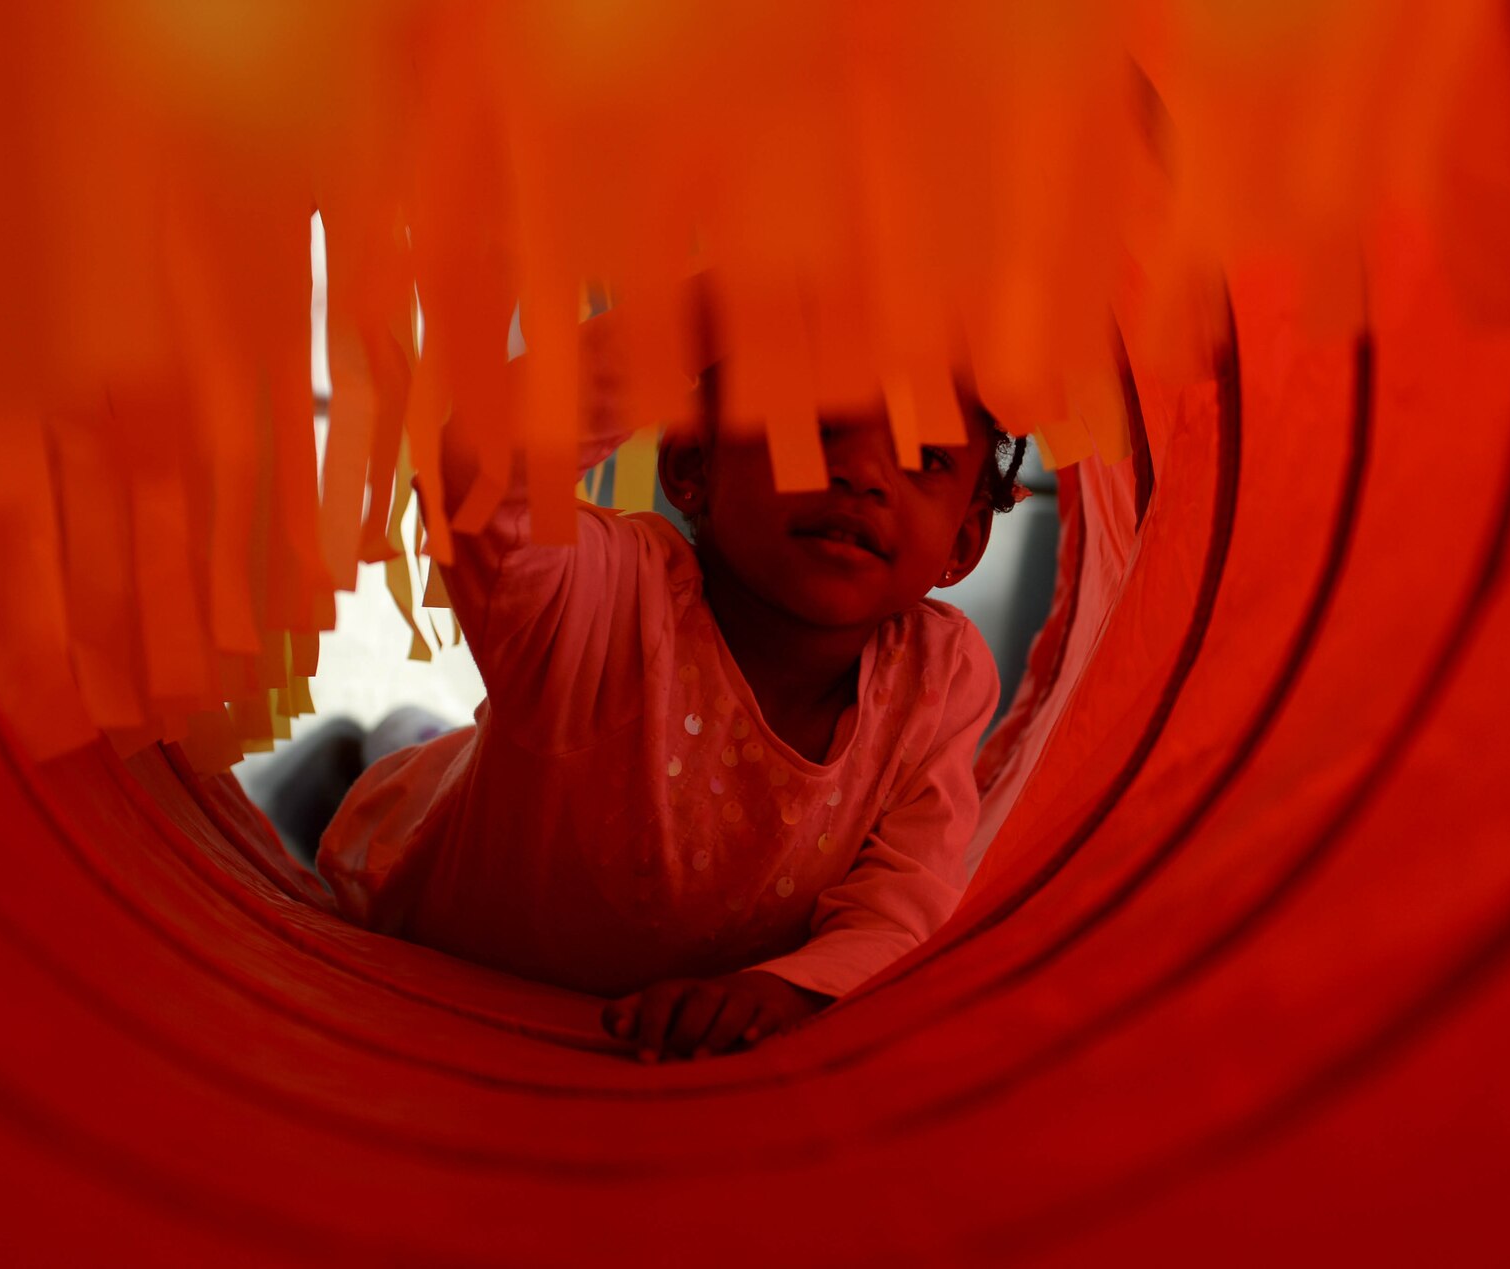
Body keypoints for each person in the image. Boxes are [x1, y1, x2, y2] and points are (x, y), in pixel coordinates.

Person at [312, 321, 1026, 1063]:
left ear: (964, 544)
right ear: (692, 464)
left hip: (557, 858)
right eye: (809, 427)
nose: (863, 472)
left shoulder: (938, 681)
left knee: (452, 735)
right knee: (392, 751)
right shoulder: (614, 596)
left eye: (926, 458)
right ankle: (362, 745)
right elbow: (473, 475)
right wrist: (710, 315)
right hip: (428, 891)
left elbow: (906, 897)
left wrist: (786, 990)